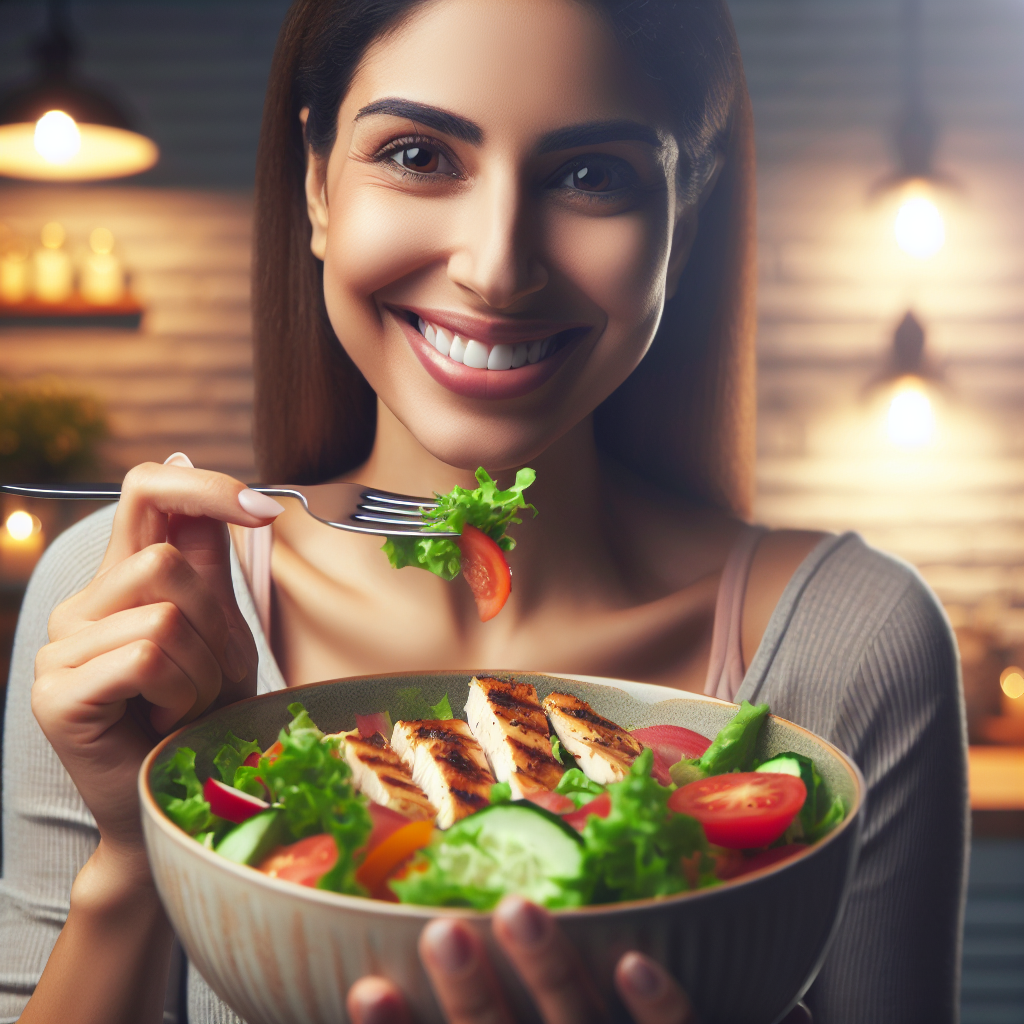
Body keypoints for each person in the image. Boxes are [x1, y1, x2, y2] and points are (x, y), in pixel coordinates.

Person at [0, 1, 967, 1022]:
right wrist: (130, 852)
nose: (496, 265)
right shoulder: (131, 596)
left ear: (683, 217)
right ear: (318, 182)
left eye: (592, 175)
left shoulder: (855, 643)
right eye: (418, 154)